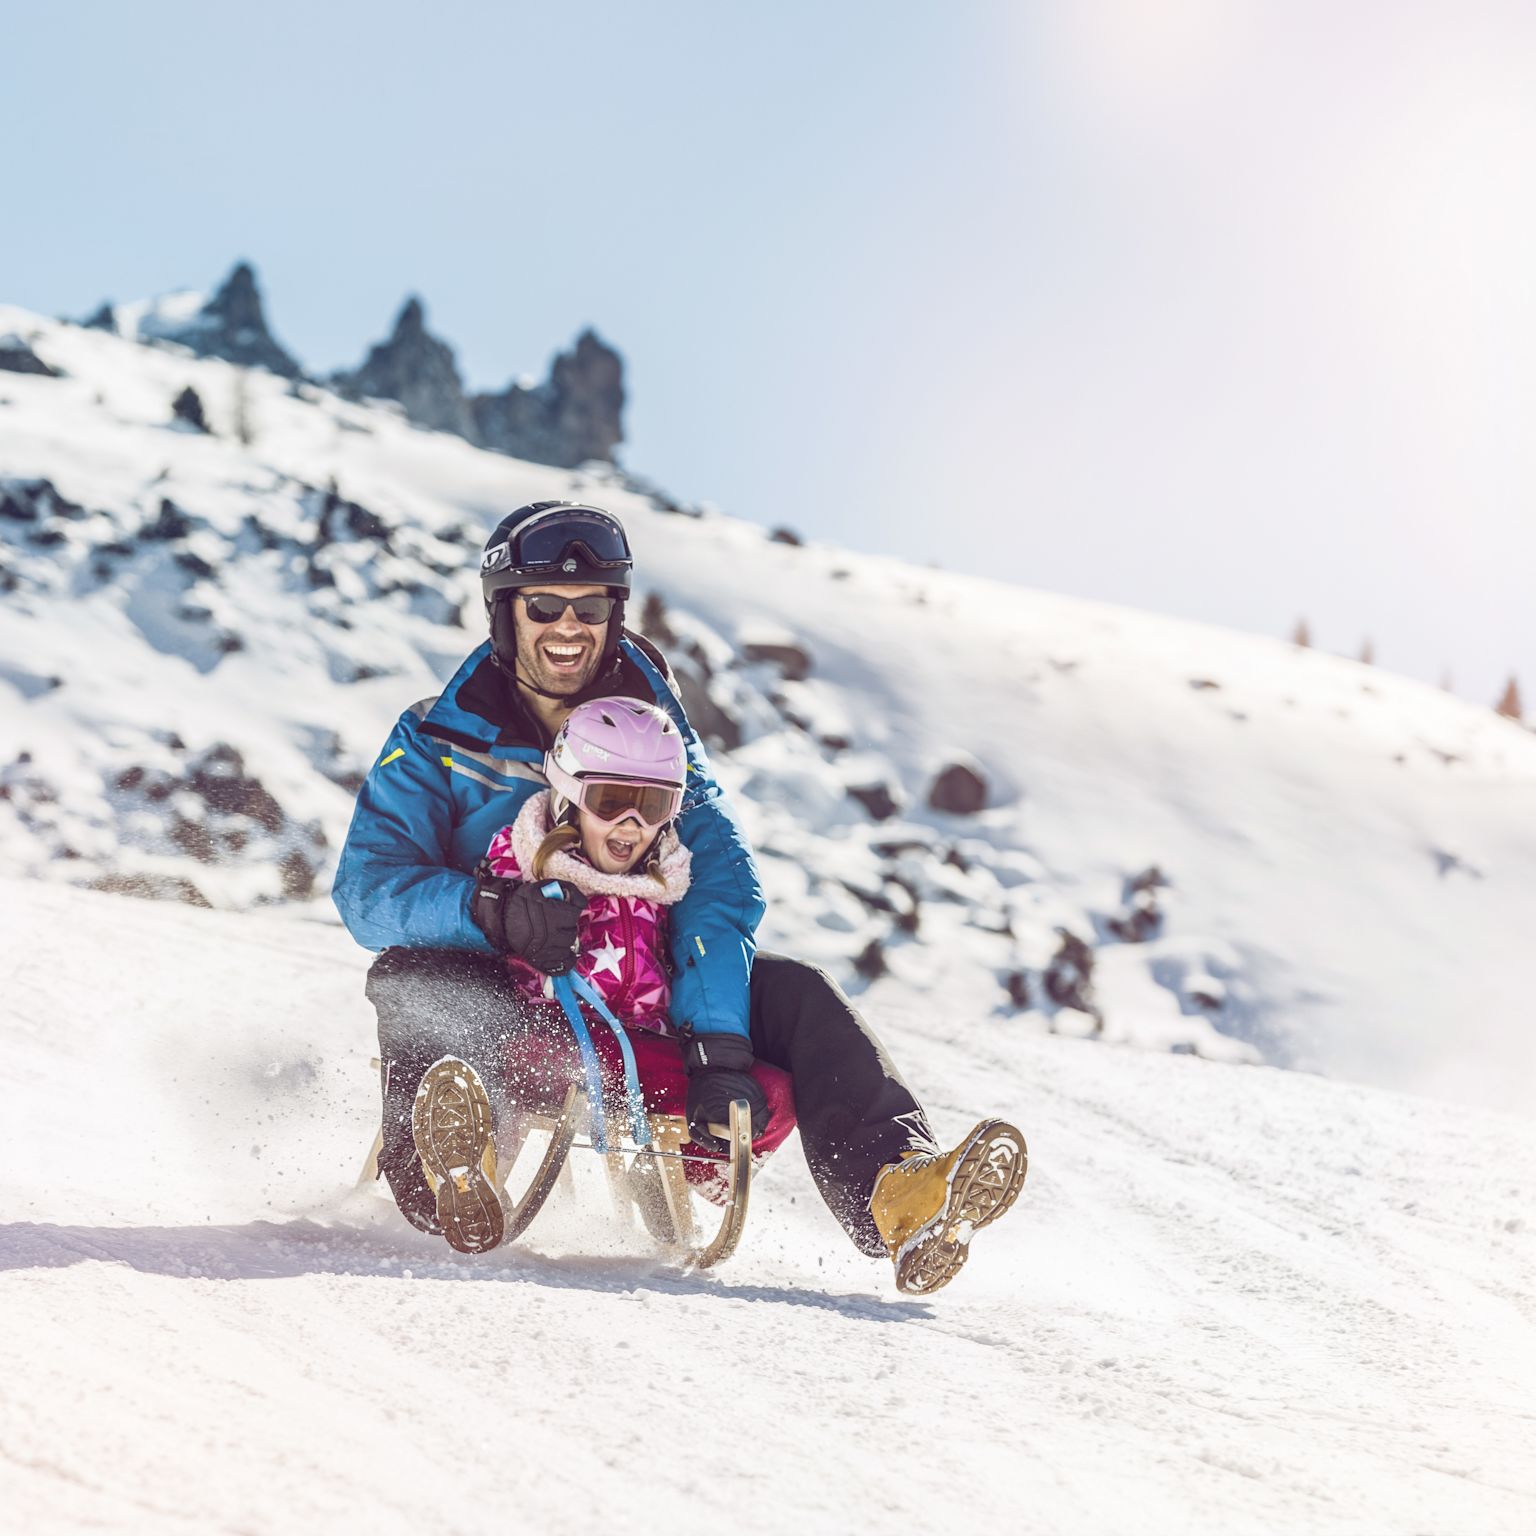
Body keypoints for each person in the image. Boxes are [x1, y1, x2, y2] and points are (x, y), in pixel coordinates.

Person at [334, 500, 1026, 1292]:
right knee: (425, 981)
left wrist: (720, 1045)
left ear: (614, 613)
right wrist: (490, 913)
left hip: (641, 985)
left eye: (590, 606)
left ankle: (903, 1195)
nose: (569, 625)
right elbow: (368, 890)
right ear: (506, 611)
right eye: (544, 605)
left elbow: (718, 884)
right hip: (507, 977)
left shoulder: (660, 742)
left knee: (799, 997)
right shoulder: (438, 738)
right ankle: (458, 1171)